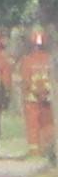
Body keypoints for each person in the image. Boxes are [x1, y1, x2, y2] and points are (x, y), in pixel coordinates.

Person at [19, 31, 55, 164]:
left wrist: (34, 92)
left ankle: (34, 150)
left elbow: (25, 80)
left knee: (33, 124)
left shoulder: (27, 60)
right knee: (48, 125)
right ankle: (49, 149)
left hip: (32, 99)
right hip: (49, 99)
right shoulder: (50, 59)